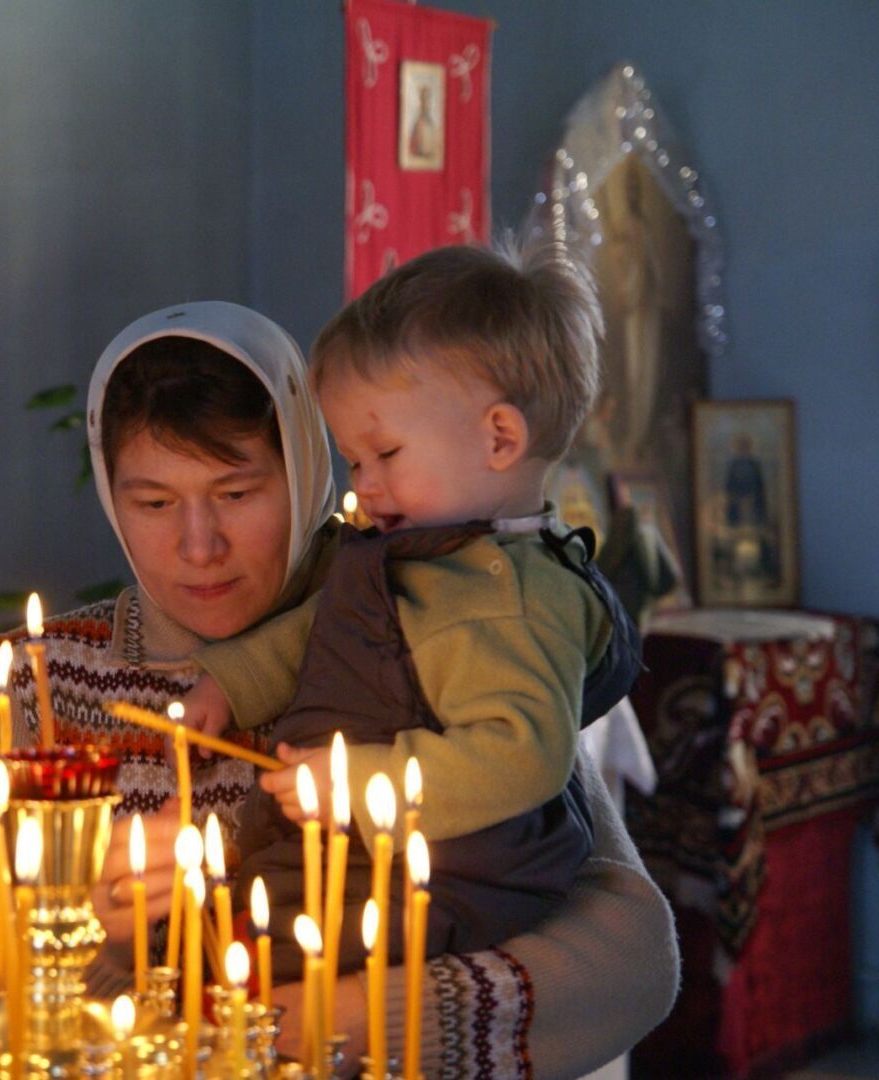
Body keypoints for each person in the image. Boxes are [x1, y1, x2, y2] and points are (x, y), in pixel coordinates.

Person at [0, 301, 679, 1078]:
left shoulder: (426, 620)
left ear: (310, 470)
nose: (198, 545)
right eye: (153, 503)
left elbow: (634, 952)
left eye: (238, 494)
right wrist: (99, 934)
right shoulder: (46, 681)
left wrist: (359, 1015)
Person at [182, 241, 639, 978]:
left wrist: (353, 784)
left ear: (499, 438)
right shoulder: (425, 553)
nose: (365, 485)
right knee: (231, 935)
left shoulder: (517, 599)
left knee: (262, 966)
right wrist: (230, 683)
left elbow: (521, 756)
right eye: (354, 462)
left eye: (385, 455)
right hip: (364, 851)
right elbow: (320, 628)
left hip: (453, 879)